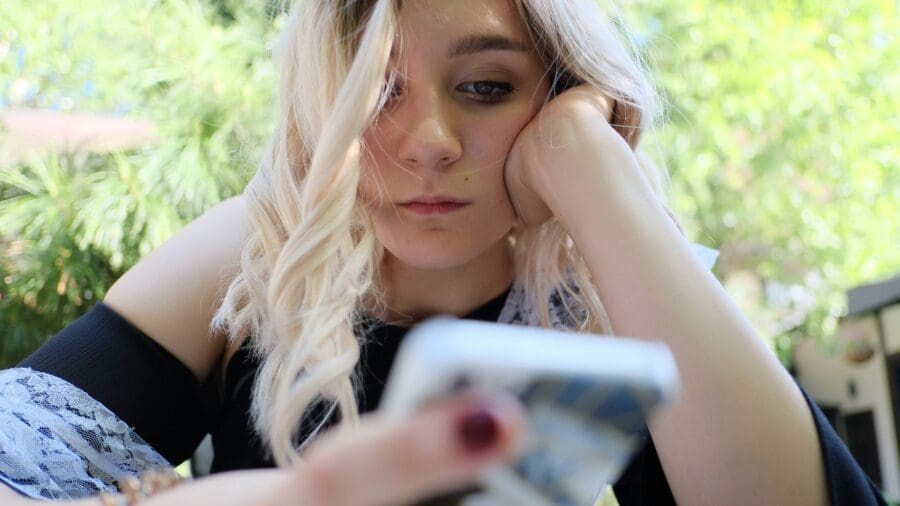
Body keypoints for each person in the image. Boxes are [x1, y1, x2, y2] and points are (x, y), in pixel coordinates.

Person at [0, 0, 885, 504]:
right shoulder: (257, 250)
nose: (429, 141)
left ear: (560, 90)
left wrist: (590, 165)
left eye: (486, 86)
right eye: (378, 90)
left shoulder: (611, 294)